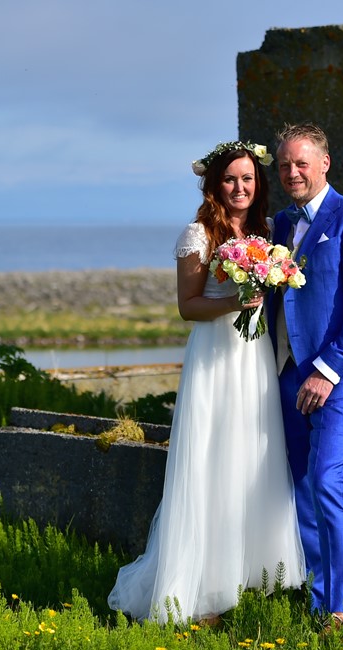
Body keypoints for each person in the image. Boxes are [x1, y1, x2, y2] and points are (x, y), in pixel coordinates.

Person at [107, 141, 305, 625]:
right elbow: (188, 306)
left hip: (254, 360)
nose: (240, 187)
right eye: (230, 179)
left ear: (257, 184)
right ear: (214, 185)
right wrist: (237, 302)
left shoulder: (266, 230)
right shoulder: (198, 234)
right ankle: (196, 592)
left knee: (251, 458)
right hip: (216, 361)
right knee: (211, 461)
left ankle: (246, 578)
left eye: (248, 179)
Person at [268, 122, 343, 631]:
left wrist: (327, 369)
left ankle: (339, 609)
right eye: (284, 165)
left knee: (326, 480)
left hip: (337, 378)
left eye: (301, 163)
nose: (292, 172)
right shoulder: (279, 225)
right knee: (298, 482)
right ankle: (317, 595)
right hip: (288, 374)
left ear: (324, 164)